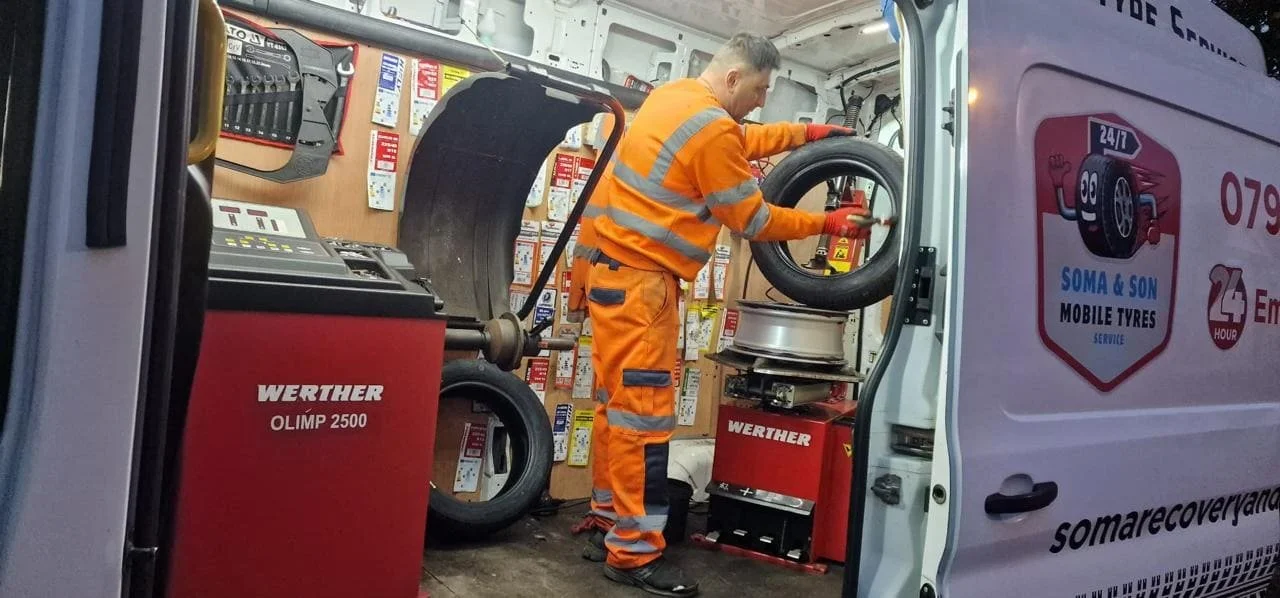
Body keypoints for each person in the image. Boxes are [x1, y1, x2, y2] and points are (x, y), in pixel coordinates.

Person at [565, 32, 874, 597]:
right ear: (734, 78)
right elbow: (751, 218)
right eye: (760, 89)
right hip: (642, 291)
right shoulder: (710, 128)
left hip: (613, 280)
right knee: (644, 421)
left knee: (615, 410)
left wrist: (809, 134)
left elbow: (742, 139)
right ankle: (632, 555)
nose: (761, 101)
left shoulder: (674, 98)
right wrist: (827, 225)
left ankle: (610, 519)